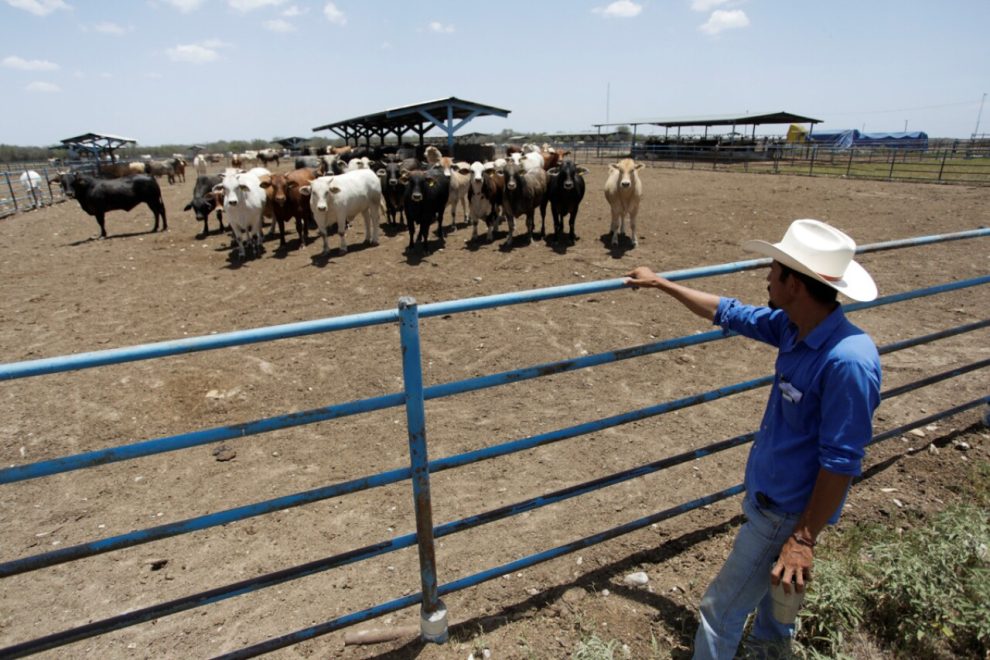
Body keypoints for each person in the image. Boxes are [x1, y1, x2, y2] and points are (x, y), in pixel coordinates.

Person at [624, 219, 882, 659]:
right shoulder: (794, 327)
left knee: (718, 612)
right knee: (773, 611)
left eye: (775, 267)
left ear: (795, 284)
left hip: (785, 512)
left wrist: (802, 539)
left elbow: (841, 462)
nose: (766, 275)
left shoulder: (847, 362)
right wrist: (662, 284)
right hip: (773, 498)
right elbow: (728, 312)